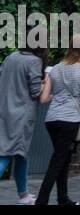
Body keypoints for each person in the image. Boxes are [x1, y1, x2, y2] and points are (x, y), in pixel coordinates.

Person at [34, 36, 80, 206]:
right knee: (57, 160)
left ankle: (63, 198)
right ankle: (42, 200)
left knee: (64, 158)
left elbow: (44, 98)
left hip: (52, 118)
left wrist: (58, 96)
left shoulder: (55, 69)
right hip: (70, 119)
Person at [0, 44, 44, 204]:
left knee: (21, 154)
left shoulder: (11, 57)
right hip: (22, 114)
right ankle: (23, 195)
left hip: (5, 110)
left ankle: (23, 195)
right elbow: (35, 92)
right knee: (6, 153)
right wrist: (46, 85)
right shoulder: (34, 61)